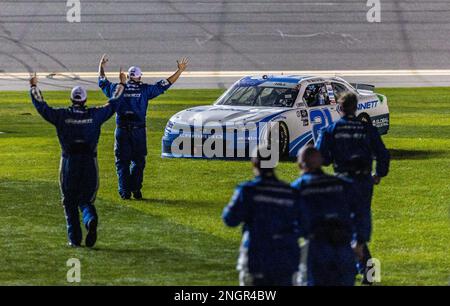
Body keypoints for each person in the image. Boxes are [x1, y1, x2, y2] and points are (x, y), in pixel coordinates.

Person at [29, 71, 126, 247]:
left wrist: (34, 86)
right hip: (89, 161)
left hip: (69, 162)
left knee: (69, 201)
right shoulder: (94, 115)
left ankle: (74, 239)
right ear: (85, 100)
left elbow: (42, 107)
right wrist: (122, 84)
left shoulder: (62, 116)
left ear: (72, 99)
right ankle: (90, 219)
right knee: (86, 200)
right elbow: (113, 104)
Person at [315, 92, 390, 284]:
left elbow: (322, 158)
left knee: (341, 226)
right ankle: (368, 272)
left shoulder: (331, 130)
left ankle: (352, 269)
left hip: (342, 181)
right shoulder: (367, 129)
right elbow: (382, 154)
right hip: (364, 181)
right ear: (356, 107)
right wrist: (378, 174)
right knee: (359, 223)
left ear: (339, 108)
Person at [98, 54, 189, 200]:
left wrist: (101, 67)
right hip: (138, 131)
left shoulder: (117, 88)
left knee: (122, 162)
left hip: (122, 130)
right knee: (138, 161)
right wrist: (179, 71)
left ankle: (125, 192)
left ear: (127, 76)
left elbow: (102, 82)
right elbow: (165, 84)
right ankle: (136, 189)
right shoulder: (145, 90)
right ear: (140, 77)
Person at [292, 146, 367, 286]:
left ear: (300, 164)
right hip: (343, 248)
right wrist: (360, 242)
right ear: (321, 162)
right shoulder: (343, 184)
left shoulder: (299, 188)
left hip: (316, 248)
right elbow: (361, 212)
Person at [222, 155, 301, 286]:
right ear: (274, 164)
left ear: (254, 165)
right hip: (285, 256)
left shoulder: (248, 190)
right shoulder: (290, 191)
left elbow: (229, 219)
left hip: (257, 254)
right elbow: (304, 223)